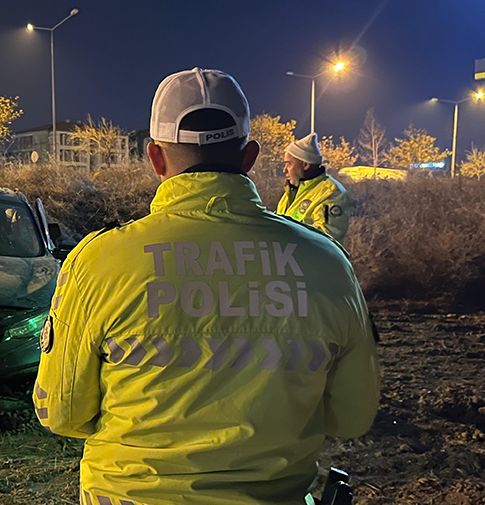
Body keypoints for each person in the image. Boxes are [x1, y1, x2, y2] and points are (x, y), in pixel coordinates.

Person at [33, 68, 380, 505]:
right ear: (250, 155)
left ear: (156, 158)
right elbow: (351, 417)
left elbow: (61, 413)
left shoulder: (99, 262)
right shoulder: (328, 264)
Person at [277, 134, 352, 243]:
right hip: (287, 258)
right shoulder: (292, 191)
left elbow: (324, 240)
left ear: (305, 164)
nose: (284, 170)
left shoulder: (331, 193)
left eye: (288, 164)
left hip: (308, 260)